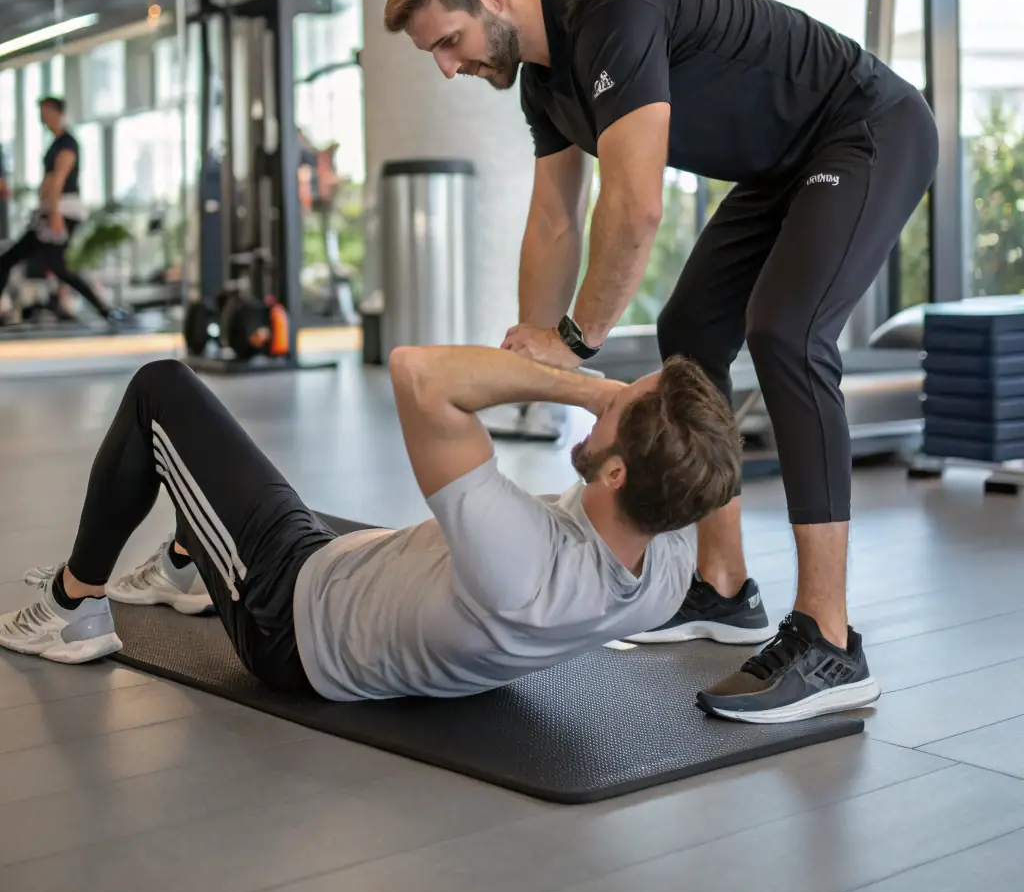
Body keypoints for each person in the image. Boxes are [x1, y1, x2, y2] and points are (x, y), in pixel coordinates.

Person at [383, 0, 940, 724]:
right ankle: (722, 585)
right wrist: (530, 369)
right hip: (783, 165)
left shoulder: (617, 13)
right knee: (691, 331)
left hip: (868, 127)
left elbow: (636, 205)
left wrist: (575, 341)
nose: (447, 66)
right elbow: (553, 221)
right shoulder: (544, 83)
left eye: (449, 39)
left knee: (786, 329)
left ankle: (829, 638)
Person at [0, 348, 740, 700]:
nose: (597, 403)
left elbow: (419, 372)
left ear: (617, 475)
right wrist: (641, 411)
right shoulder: (665, 564)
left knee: (161, 391)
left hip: (291, 617)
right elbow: (703, 463)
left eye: (610, 408)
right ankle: (186, 565)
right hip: (366, 586)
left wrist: (582, 382)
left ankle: (73, 606)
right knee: (245, 486)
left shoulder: (522, 560)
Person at [0, 96, 125, 327]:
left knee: (44, 264)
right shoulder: (56, 143)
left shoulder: (67, 143)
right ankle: (104, 309)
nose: (42, 118)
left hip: (61, 211)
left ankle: (105, 308)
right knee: (22, 261)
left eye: (45, 112)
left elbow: (58, 178)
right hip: (48, 212)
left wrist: (55, 213)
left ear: (56, 112)